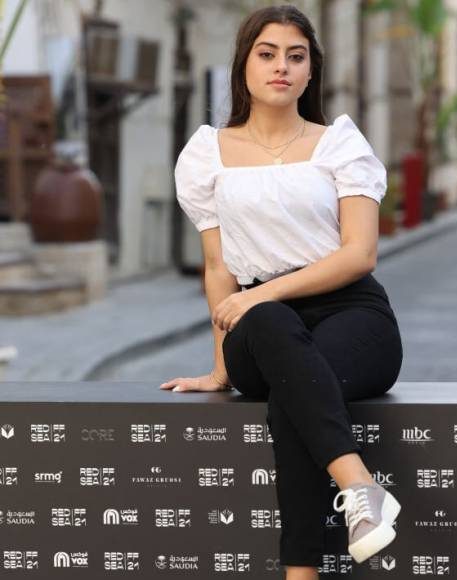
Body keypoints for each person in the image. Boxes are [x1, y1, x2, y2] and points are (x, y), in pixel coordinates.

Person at [160, 5, 403, 579]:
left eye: (296, 57)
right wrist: (221, 368)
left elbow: (359, 254)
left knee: (297, 389)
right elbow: (218, 267)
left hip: (353, 314)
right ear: (243, 65)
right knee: (274, 331)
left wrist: (259, 296)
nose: (281, 67)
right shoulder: (207, 153)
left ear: (310, 70)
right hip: (260, 328)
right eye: (267, 54)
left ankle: (301, 572)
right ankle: (359, 485)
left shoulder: (339, 144)